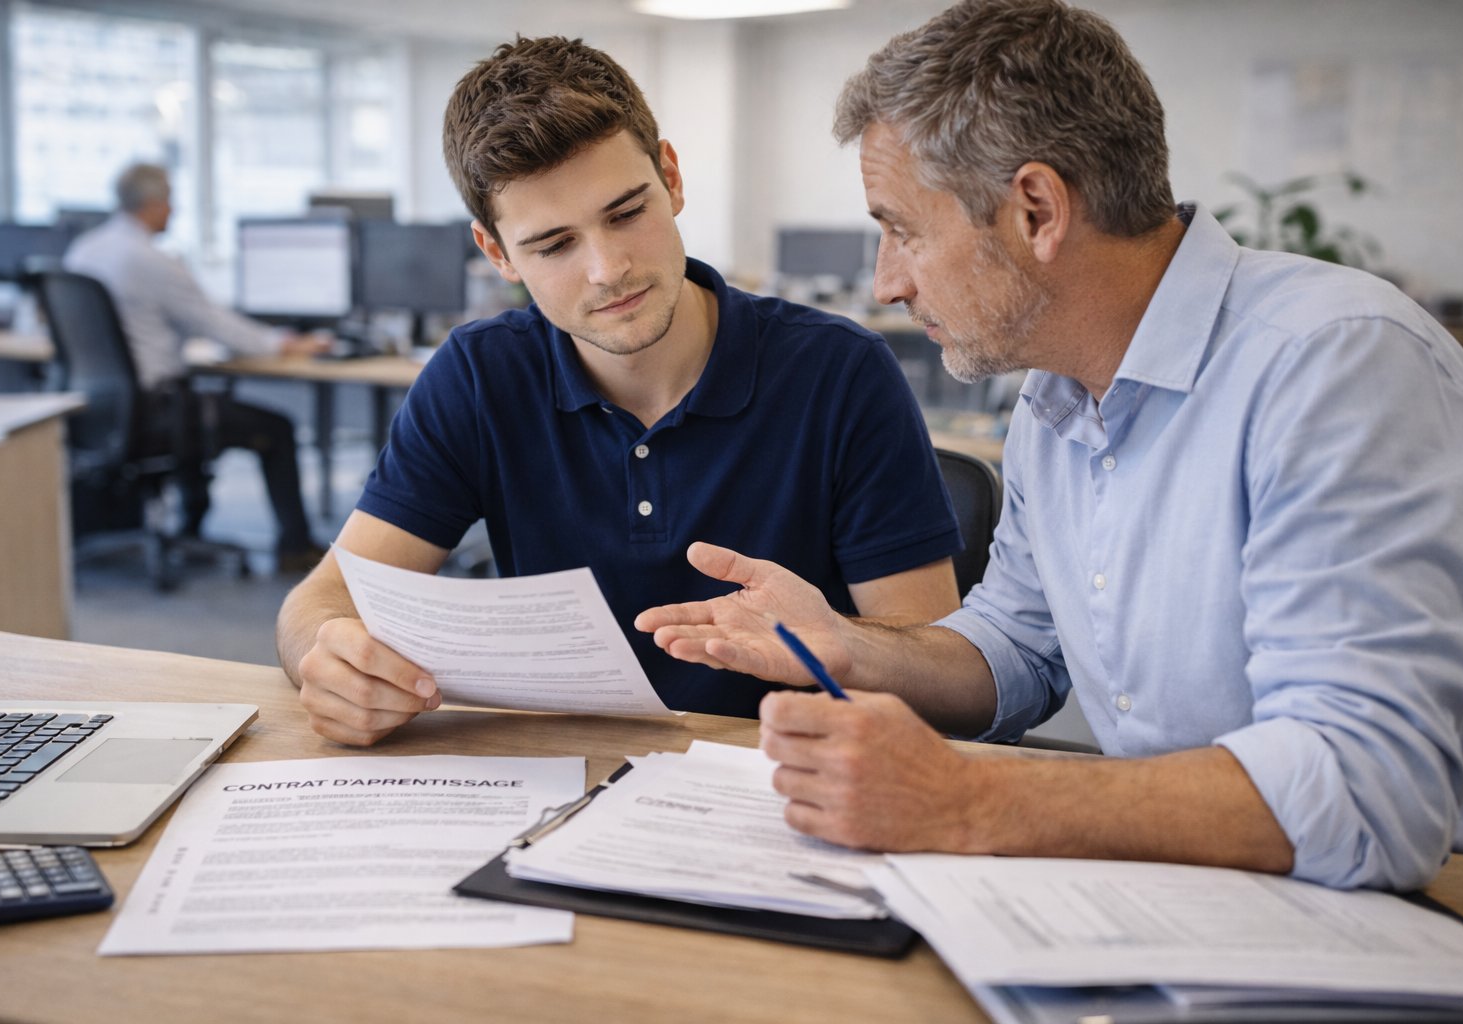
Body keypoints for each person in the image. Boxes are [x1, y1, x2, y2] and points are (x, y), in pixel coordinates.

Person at [637, 0, 1463, 892]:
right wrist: (840, 645)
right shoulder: (1057, 395)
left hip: (1376, 919)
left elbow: (1370, 789)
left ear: (1037, 208)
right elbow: (1020, 649)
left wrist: (967, 801)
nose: (885, 283)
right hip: (1175, 889)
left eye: (904, 230)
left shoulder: (1332, 362)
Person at [275, 36, 963, 745]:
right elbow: (322, 599)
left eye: (626, 212)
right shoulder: (479, 375)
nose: (608, 270)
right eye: (554, 246)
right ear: (495, 252)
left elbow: (945, 679)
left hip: (781, 779)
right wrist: (325, 658)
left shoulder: (841, 374)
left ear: (670, 176)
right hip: (561, 779)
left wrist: (831, 642)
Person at [65, 163, 329, 572]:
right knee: (276, 428)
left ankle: (191, 525)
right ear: (153, 204)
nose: (173, 210)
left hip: (97, 412)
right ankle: (294, 547)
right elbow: (215, 324)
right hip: (155, 411)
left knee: (196, 405)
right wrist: (285, 344)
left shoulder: (83, 251)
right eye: (170, 201)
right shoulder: (150, 260)